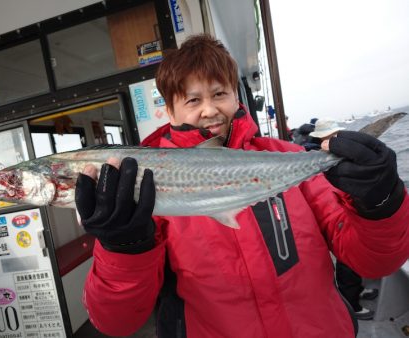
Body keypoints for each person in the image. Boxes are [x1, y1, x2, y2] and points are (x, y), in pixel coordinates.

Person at [75, 34, 409, 338]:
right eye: (192, 101)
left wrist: (381, 203)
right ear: (169, 109)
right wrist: (123, 249)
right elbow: (117, 322)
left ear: (236, 96)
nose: (210, 110)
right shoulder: (147, 184)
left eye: (219, 93)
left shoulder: (287, 157)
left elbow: (375, 263)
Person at [309, 119, 379, 320]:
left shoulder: (336, 154)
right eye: (330, 135)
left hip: (346, 213)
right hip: (336, 218)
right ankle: (352, 304)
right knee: (347, 263)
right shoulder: (318, 157)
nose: (334, 138)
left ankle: (358, 291)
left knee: (354, 262)